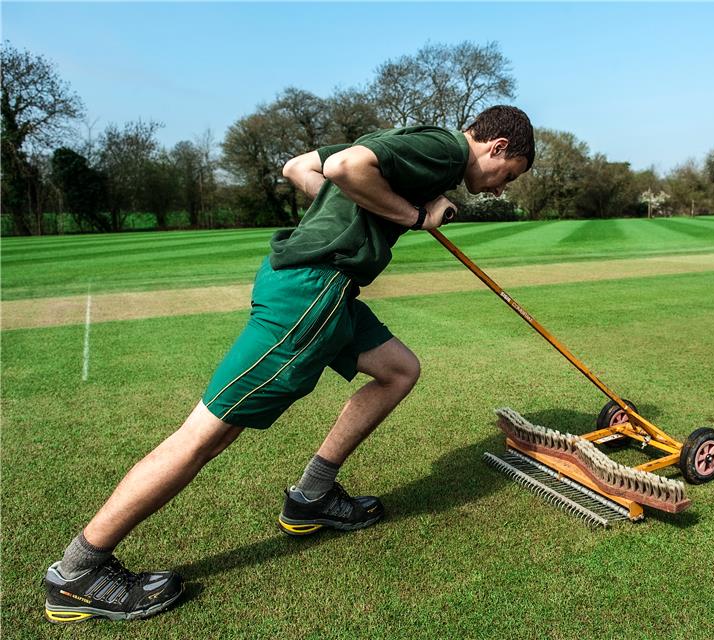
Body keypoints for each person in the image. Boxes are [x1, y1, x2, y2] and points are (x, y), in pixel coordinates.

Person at [42, 105, 535, 623]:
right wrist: (413, 215)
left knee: (398, 370)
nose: (501, 188)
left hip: (328, 290)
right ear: (497, 147)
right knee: (206, 434)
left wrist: (378, 205)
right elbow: (346, 170)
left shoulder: (412, 143)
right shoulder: (444, 151)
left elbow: (301, 168)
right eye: (509, 175)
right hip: (311, 292)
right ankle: (78, 573)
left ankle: (312, 497)